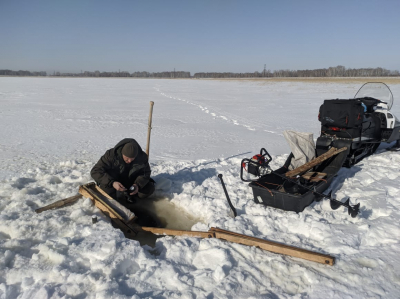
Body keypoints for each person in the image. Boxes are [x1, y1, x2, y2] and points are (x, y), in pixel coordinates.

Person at [90, 138, 155, 204]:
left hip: (131, 181)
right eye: (127, 159)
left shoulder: (142, 157)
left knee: (148, 189)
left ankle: (131, 199)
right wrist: (112, 182)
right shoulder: (111, 155)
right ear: (122, 153)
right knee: (107, 195)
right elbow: (95, 171)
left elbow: (145, 173)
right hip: (113, 181)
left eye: (132, 159)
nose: (129, 161)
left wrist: (137, 185)